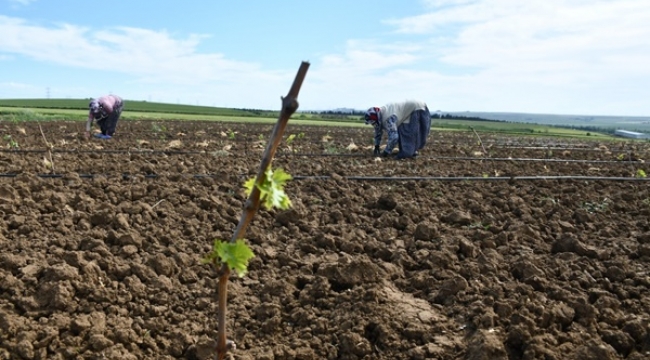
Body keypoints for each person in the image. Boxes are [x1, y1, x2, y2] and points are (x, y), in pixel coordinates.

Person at [364, 100, 431, 159]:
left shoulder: (388, 118)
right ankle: (411, 151)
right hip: (416, 108)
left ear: (376, 118)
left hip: (417, 110)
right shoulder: (381, 113)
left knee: (406, 142)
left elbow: (394, 137)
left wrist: (386, 152)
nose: (373, 125)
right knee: (402, 133)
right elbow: (378, 130)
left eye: (372, 122)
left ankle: (409, 152)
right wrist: (377, 146)